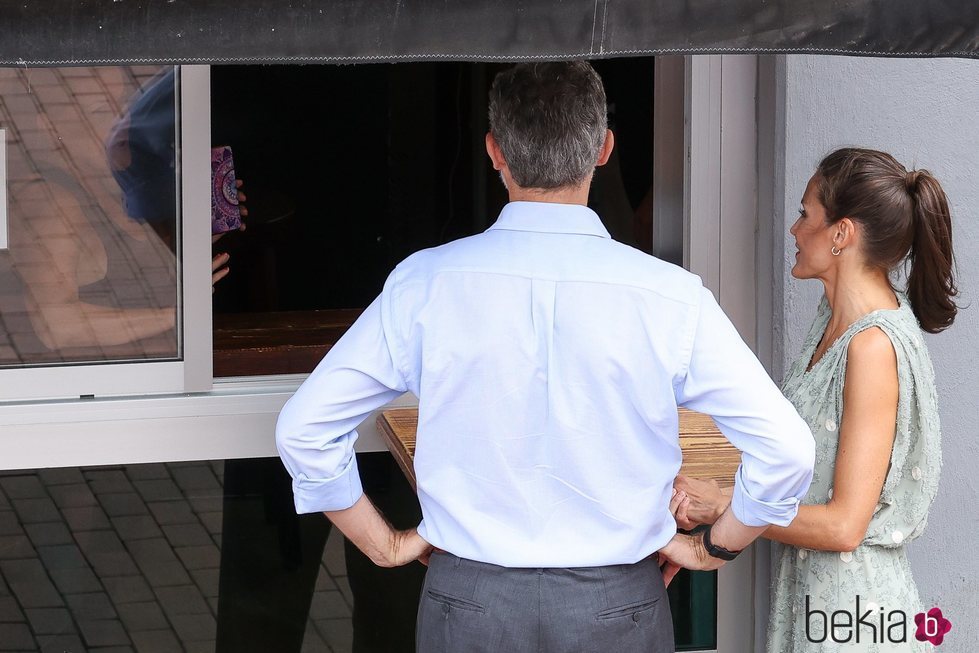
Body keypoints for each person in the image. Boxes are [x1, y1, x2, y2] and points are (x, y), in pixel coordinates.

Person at [275, 60, 815, 652]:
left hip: (469, 599)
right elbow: (786, 450)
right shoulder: (670, 296)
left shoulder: (425, 284)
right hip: (616, 604)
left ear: (494, 151)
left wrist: (385, 545)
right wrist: (715, 547)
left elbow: (306, 429)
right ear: (605, 148)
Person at [672, 148, 956, 651]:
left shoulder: (872, 345)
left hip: (853, 618)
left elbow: (846, 525)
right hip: (822, 603)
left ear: (842, 233)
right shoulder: (833, 322)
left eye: (806, 214)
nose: (795, 230)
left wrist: (726, 507)